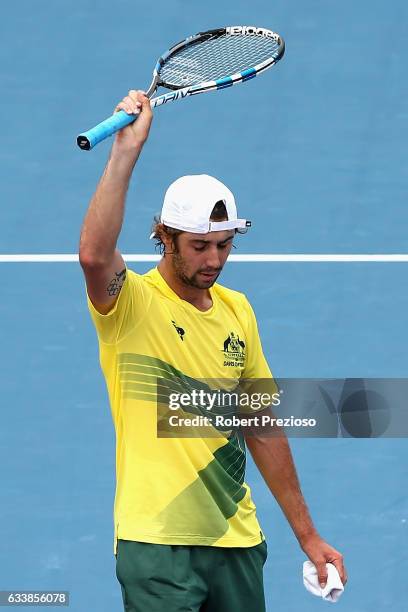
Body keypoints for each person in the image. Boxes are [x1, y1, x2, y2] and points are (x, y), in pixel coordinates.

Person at [79, 90, 347, 612]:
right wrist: (124, 153)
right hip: (157, 545)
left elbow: (263, 427)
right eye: (200, 245)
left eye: (224, 244)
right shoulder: (130, 304)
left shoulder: (237, 311)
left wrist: (308, 536)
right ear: (166, 238)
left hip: (237, 542)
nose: (215, 259)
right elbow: (93, 255)